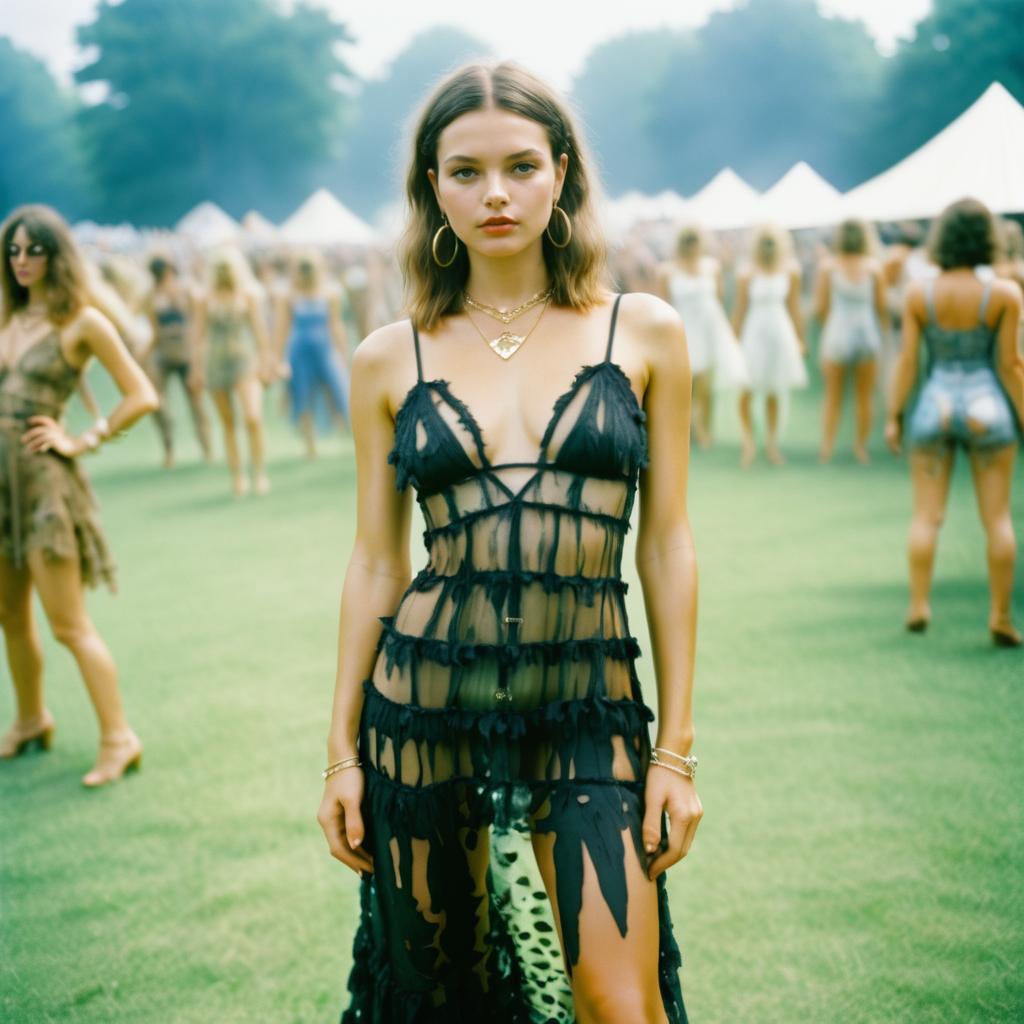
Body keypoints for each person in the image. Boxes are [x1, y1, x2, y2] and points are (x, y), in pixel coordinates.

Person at [316, 62, 701, 1023]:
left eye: (521, 166)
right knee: (443, 1003)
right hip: (424, 707)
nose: (495, 193)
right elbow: (376, 561)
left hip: (589, 705)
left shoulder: (641, 332)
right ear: (431, 188)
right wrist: (338, 755)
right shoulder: (386, 356)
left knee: (623, 1005)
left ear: (562, 173)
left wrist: (678, 752)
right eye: (466, 171)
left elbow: (668, 544)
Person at [0, 205, 158, 783]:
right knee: (9, 614)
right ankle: (30, 719)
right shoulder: (6, 316)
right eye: (14, 250)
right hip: (0, 486)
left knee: (68, 624)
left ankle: (120, 738)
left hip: (44, 484)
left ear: (56, 255)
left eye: (33, 250)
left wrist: (83, 438)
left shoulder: (82, 321)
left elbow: (140, 394)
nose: (22, 261)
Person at [886, 198, 1024, 646]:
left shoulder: (919, 294)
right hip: (987, 406)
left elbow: (909, 360)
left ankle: (919, 604)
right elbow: (1010, 365)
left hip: (935, 404)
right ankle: (1000, 616)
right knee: (998, 519)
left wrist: (894, 414)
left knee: (926, 516)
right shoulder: (1004, 294)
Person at [191, 247, 272, 497]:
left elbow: (259, 332)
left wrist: (266, 362)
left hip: (244, 361)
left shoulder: (248, 295)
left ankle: (258, 473)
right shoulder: (204, 298)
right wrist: (197, 369)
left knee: (252, 417)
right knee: (228, 423)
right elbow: (199, 336)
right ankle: (237, 476)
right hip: (216, 364)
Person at [657, 224, 747, 448]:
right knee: (686, 385)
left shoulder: (712, 267)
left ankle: (705, 428)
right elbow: (663, 303)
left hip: (707, 330)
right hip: (683, 330)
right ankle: (685, 429)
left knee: (706, 383)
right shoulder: (667, 271)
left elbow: (719, 297)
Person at [813, 219, 889, 464]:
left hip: (837, 334)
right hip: (867, 335)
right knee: (864, 397)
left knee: (832, 396)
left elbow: (821, 307)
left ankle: (827, 447)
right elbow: (881, 308)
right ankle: (861, 448)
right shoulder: (874, 269)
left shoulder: (828, 268)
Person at [733, 224, 808, 467]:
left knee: (775, 390)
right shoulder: (746, 273)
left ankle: (772, 443)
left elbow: (795, 308)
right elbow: (740, 310)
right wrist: (733, 339)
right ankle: (748, 442)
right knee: (746, 390)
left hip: (779, 333)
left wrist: (800, 337)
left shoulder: (791, 270)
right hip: (754, 333)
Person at [272, 250, 351, 458]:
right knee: (302, 393)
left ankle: (347, 434)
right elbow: (281, 328)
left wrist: (342, 354)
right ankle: (310, 446)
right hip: (299, 352)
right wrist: (278, 359)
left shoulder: (329, 293)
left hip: (325, 349)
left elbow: (336, 325)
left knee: (338, 389)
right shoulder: (288, 296)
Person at [143, 256, 212, 468]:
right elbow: (155, 332)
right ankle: (169, 448)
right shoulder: (152, 297)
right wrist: (142, 356)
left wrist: (197, 359)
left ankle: (207, 448)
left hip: (187, 355)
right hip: (164, 355)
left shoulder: (187, 292)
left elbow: (197, 324)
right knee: (158, 404)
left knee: (196, 404)